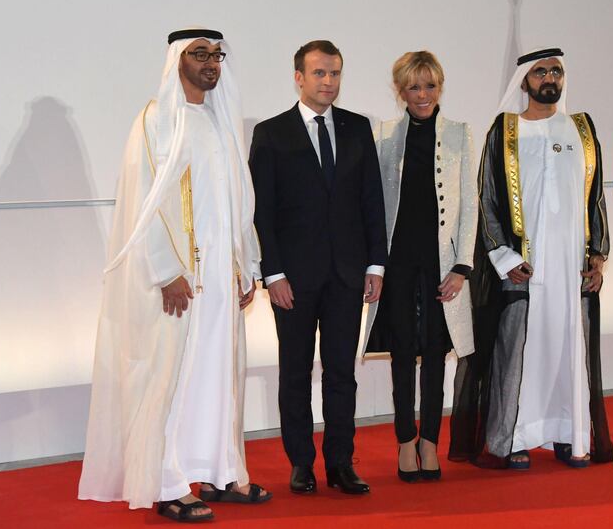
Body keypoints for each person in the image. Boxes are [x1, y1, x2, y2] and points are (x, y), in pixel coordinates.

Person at [78, 28, 271, 522]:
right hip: (180, 285)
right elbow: (143, 202)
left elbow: (239, 203)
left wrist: (247, 263)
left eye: (216, 55)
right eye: (199, 54)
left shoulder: (220, 121)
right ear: (177, 61)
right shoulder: (156, 120)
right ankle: (167, 483)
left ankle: (221, 472)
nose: (210, 63)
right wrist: (165, 271)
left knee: (220, 376)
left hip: (221, 286)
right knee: (173, 380)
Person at [449, 47, 613, 470]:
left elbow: (595, 198)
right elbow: (485, 199)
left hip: (571, 269)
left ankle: (567, 433)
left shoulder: (581, 127)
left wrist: (598, 257)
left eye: (556, 71)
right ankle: (511, 439)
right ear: (524, 81)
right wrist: (503, 258)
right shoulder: (505, 130)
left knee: (567, 350)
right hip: (523, 269)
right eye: (540, 71)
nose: (549, 78)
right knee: (515, 352)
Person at [249, 40, 387, 495]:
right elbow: (262, 211)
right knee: (293, 372)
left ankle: (341, 463)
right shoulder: (271, 133)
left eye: (335, 74)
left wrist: (376, 264)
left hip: (349, 275)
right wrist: (273, 273)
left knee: (341, 373)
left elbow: (372, 200)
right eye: (320, 74)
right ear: (299, 77)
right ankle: (301, 464)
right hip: (294, 280)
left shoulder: (357, 128)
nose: (329, 82)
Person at [362, 51, 477, 482]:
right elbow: (374, 206)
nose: (422, 95)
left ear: (439, 87)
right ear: (400, 91)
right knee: (401, 355)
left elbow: (470, 207)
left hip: (441, 264)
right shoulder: (385, 134)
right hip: (398, 263)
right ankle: (404, 442)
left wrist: (462, 267)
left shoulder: (462, 135)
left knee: (434, 354)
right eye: (413, 87)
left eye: (429, 86)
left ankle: (431, 441)